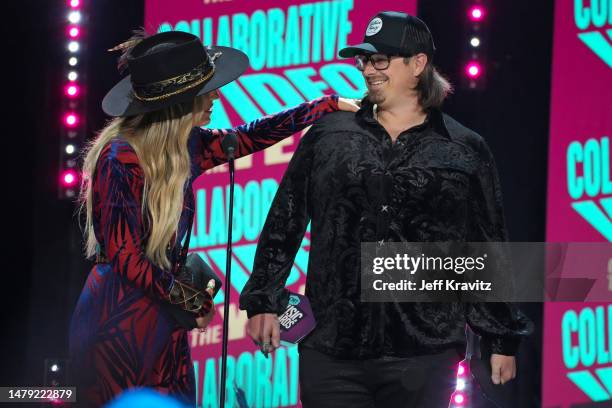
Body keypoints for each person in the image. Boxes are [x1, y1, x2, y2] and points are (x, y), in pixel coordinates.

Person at [239, 11, 533, 408]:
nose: (368, 70)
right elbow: (285, 218)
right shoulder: (329, 135)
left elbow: (486, 246)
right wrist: (263, 300)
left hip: (423, 353)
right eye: (364, 60)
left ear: (418, 65)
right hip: (332, 351)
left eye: (381, 60)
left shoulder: (464, 149)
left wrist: (501, 337)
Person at [69, 30, 358, 407]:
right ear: (179, 103)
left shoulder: (189, 146)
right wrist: (193, 302)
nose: (217, 96)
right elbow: (125, 257)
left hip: (162, 315)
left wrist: (325, 105)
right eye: (208, 89)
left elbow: (250, 137)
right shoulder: (118, 159)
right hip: (117, 320)